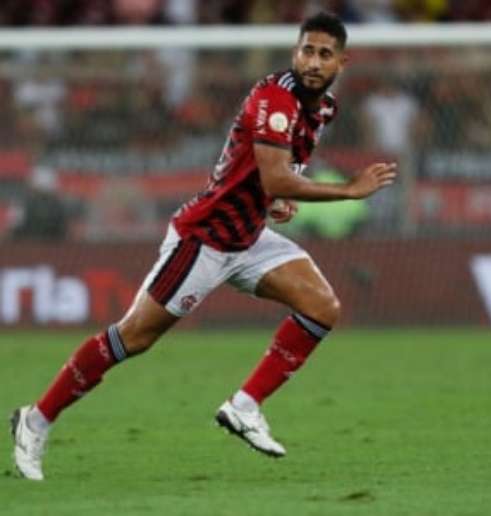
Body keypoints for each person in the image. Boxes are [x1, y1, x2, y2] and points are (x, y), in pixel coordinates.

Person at [10, 11, 397, 481]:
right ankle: (35, 419)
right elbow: (275, 174)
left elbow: (267, 175)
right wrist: (346, 190)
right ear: (295, 52)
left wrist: (274, 201)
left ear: (342, 62)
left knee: (321, 306)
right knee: (133, 337)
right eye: (307, 50)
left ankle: (245, 406)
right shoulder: (277, 98)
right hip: (206, 238)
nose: (313, 61)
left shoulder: (323, 108)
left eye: (324, 54)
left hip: (249, 236)